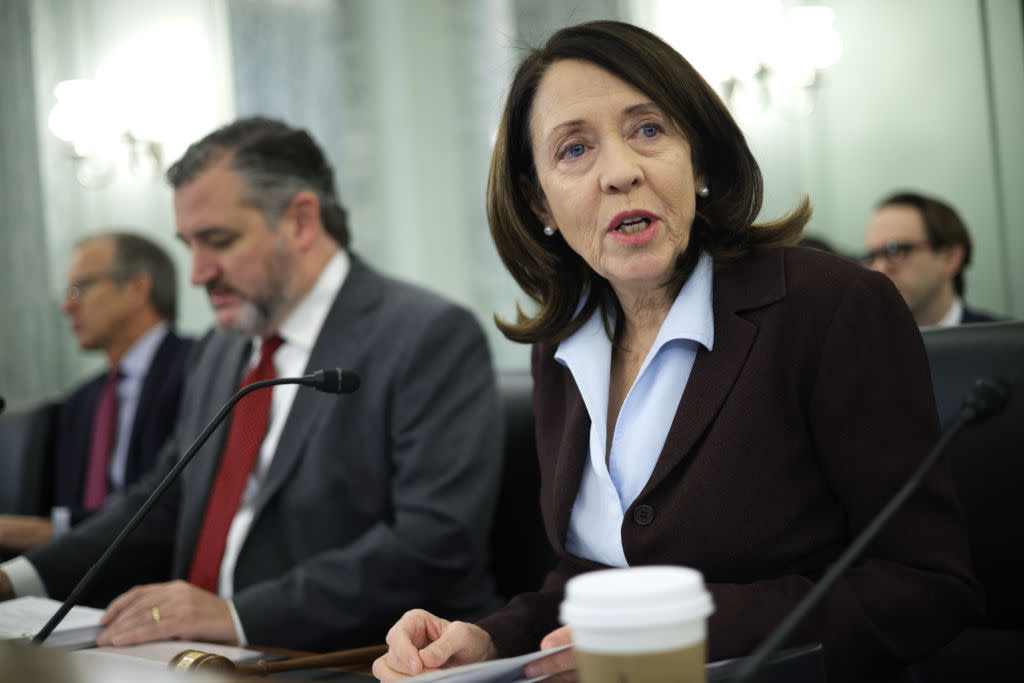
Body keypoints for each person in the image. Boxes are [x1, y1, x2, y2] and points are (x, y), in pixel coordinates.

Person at [373, 20, 981, 683]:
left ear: (698, 161)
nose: (622, 171)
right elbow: (593, 572)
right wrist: (487, 639)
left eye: (648, 130)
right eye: (574, 149)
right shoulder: (563, 348)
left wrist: (676, 635)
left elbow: (926, 585)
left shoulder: (831, 308)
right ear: (536, 199)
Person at [0, 117, 503, 652]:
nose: (196, 273)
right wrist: (18, 577)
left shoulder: (425, 336)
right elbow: (162, 501)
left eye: (217, 241)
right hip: (193, 656)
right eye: (188, 244)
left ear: (300, 222)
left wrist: (236, 616)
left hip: (345, 658)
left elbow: (434, 543)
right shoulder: (222, 350)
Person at [0, 232, 192, 554]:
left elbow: (175, 506)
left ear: (137, 289)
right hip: (77, 577)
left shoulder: (199, 370)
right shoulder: (80, 402)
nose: (67, 306)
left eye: (81, 287)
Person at [860, 191, 1004, 327]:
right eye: (871, 256)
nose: (878, 269)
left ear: (950, 258)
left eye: (895, 250)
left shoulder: (1006, 345)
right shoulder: (858, 349)